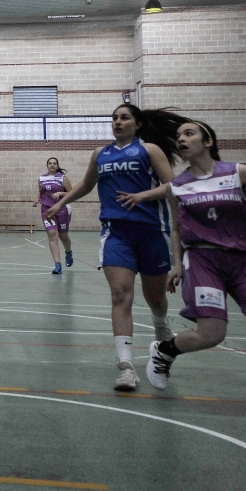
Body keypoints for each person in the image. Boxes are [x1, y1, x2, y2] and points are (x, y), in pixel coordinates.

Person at [46, 104, 187, 391]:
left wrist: (143, 196)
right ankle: (125, 367)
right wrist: (62, 202)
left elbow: (173, 186)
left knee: (155, 298)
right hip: (116, 233)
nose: (118, 122)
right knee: (121, 295)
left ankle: (161, 325)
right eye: (114, 118)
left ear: (138, 124)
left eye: (124, 118)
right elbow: (87, 184)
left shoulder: (149, 150)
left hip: (152, 232)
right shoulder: (101, 154)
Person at [146, 121, 246, 390]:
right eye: (178, 136)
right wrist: (177, 265)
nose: (181, 139)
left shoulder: (237, 173)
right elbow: (177, 228)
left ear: (208, 141)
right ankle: (164, 351)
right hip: (203, 261)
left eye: (189, 134)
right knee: (211, 334)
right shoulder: (177, 186)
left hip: (241, 259)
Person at [34, 157, 74, 274]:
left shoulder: (62, 178)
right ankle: (57, 264)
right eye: (50, 163)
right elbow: (40, 191)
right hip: (47, 210)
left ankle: (68, 252)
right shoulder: (41, 178)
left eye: (54, 163)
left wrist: (60, 193)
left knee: (63, 236)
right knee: (52, 235)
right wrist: (37, 200)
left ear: (57, 166)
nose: (52, 165)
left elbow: (71, 193)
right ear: (47, 165)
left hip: (61, 209)